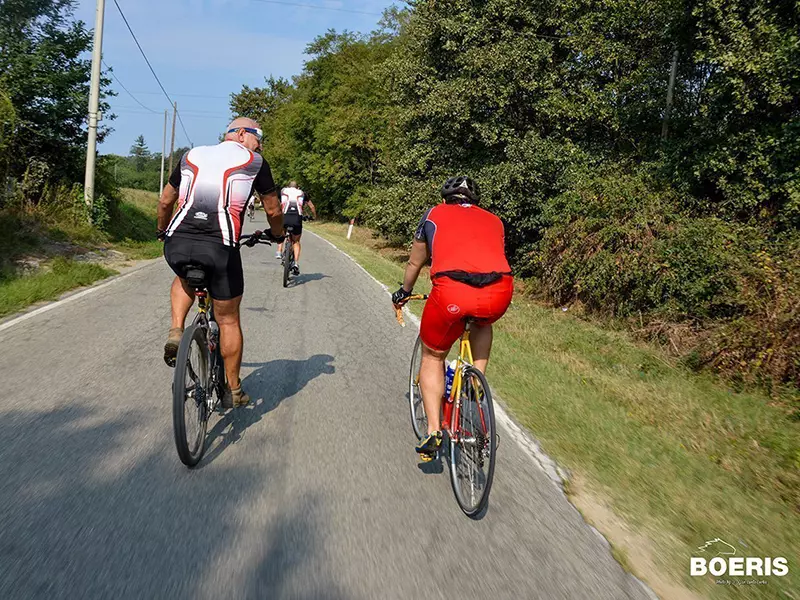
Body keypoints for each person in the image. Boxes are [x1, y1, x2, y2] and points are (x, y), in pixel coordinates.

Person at [157, 117, 284, 408]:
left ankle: (176, 330)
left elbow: (165, 201)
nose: (260, 144)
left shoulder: (190, 155)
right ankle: (233, 391)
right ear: (241, 134)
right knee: (228, 319)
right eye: (258, 137)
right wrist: (277, 235)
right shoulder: (255, 161)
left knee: (183, 277)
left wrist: (161, 230)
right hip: (219, 246)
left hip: (178, 241)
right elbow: (273, 208)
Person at [392, 176, 513, 461]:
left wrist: (404, 291)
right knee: (484, 321)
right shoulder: (495, 220)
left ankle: (434, 430)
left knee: (433, 356)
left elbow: (415, 262)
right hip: (499, 292)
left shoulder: (433, 214)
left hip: (452, 294)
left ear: (446, 198)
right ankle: (475, 379)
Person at [276, 180, 317, 275]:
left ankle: (278, 251)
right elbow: (311, 206)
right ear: (298, 187)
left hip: (285, 217)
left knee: (282, 233)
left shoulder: (283, 191)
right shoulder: (302, 193)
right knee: (296, 241)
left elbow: (277, 202)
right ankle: (296, 263)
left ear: (288, 186)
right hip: (297, 219)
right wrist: (314, 217)